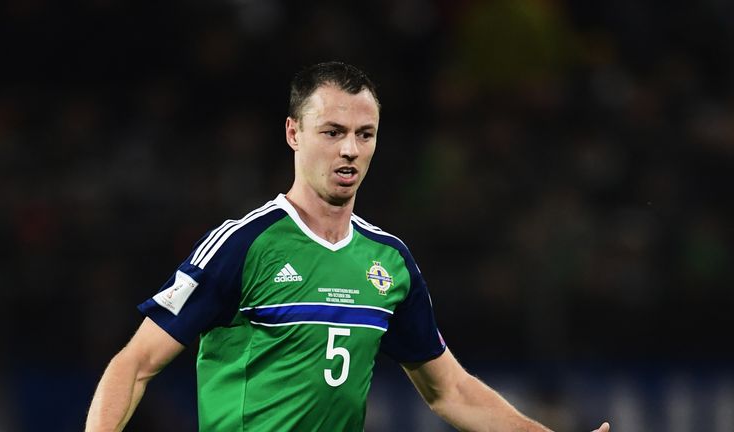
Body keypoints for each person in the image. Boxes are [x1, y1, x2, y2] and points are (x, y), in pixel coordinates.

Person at [85, 61, 610, 432]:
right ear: (294, 133)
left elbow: (449, 390)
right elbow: (134, 364)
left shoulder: (389, 261)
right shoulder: (244, 244)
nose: (350, 150)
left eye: (365, 134)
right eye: (333, 131)